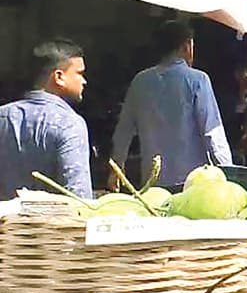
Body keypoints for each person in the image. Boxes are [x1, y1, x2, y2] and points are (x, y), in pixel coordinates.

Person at [110, 20, 232, 188]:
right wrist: (230, 174)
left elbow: (124, 131)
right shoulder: (198, 80)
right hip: (192, 184)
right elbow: (212, 134)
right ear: (187, 46)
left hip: (153, 184)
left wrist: (116, 167)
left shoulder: (140, 81)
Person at [0, 39, 91, 199]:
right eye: (79, 73)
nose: (84, 81)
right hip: (50, 223)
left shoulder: (3, 116)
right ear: (59, 77)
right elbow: (79, 198)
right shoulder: (69, 124)